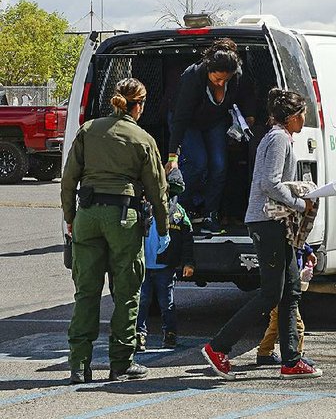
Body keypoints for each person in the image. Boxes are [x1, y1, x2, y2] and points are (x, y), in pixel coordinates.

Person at [201, 88, 321, 380]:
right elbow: (270, 183)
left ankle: (291, 361)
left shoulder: (280, 137)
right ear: (292, 117)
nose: (305, 118)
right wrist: (300, 203)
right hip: (268, 222)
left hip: (276, 223)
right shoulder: (279, 138)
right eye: (303, 113)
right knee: (270, 293)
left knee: (291, 289)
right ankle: (218, 347)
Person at [61, 78, 169, 384]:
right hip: (124, 218)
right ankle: (121, 362)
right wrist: (162, 227)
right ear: (139, 106)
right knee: (126, 293)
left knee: (86, 292)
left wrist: (71, 217)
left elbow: (69, 180)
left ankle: (79, 365)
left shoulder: (88, 130)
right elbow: (157, 189)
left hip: (88, 215)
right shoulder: (142, 138)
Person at [166, 38, 255, 235]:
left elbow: (246, 93)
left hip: (214, 121)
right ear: (208, 70)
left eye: (226, 79)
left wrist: (249, 116)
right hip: (187, 121)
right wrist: (173, 156)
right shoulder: (192, 77)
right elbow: (180, 118)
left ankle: (210, 212)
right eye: (217, 79)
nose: (221, 83)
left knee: (219, 165)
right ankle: (181, 206)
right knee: (198, 162)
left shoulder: (236, 74)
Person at [135, 168, 195, 352]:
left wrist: (188, 262)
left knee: (166, 303)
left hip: (165, 268)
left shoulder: (177, 213)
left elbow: (187, 240)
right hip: (144, 266)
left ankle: (170, 334)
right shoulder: (142, 208)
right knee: (142, 301)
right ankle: (139, 335)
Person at [256, 243, 316, 366]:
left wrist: (308, 251)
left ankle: (264, 352)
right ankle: (296, 355)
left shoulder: (290, 239)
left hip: (280, 286)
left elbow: (299, 239)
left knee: (275, 322)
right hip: (284, 288)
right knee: (297, 325)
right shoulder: (286, 244)